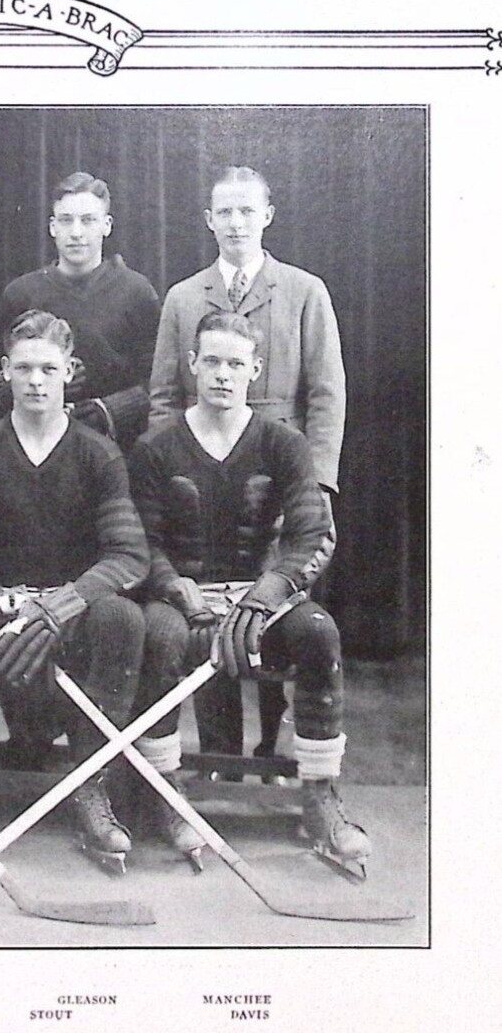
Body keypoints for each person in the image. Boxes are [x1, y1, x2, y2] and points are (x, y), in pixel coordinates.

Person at [129, 310, 368, 877]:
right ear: (191, 365)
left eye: (235, 363)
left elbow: (310, 531)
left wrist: (267, 593)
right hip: (180, 596)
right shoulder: (155, 447)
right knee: (155, 635)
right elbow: (141, 539)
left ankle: (319, 797)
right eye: (210, 360)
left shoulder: (284, 442)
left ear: (255, 371)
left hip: (262, 596)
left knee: (318, 631)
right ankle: (168, 793)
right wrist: (173, 587)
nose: (222, 374)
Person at [0, 310, 149, 874]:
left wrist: (65, 601)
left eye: (49, 368)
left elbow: (128, 553)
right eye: (24, 369)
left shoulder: (98, 452)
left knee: (123, 619)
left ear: (70, 371)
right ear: (5, 372)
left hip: (69, 616)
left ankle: (94, 788)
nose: (37, 381)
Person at [149, 165, 346, 760]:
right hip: (200, 474)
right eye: (224, 213)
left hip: (282, 478)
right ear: (210, 221)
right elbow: (162, 397)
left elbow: (326, 393)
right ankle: (218, 755)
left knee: (279, 609)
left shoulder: (304, 290)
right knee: (209, 609)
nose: (236, 224)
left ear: (267, 216)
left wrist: (317, 483)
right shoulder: (185, 296)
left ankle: (275, 743)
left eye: (247, 211)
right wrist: (173, 473)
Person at [0, 171, 160, 450]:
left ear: (106, 225)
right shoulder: (21, 293)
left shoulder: (136, 292)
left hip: (117, 446)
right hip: (35, 444)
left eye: (88, 221)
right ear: (52, 226)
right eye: (66, 220)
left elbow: (158, 382)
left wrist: (110, 409)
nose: (76, 232)